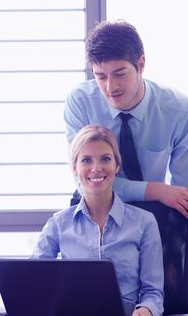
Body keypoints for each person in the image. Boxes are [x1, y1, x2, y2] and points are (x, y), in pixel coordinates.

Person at [31, 124, 164, 316]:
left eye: (105, 159)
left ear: (117, 165)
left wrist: (147, 311)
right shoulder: (58, 223)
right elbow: (33, 280)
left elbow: (153, 291)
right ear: (74, 167)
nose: (96, 168)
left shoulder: (144, 222)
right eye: (86, 160)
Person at [64, 20, 188, 219]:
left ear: (141, 64)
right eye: (101, 76)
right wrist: (155, 189)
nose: (111, 87)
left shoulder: (178, 109)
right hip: (96, 201)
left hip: (155, 210)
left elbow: (182, 191)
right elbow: (83, 178)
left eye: (120, 74)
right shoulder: (80, 102)